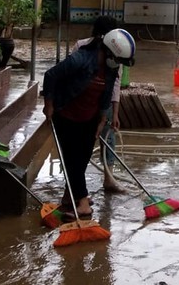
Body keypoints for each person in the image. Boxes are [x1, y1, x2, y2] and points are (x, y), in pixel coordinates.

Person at [42, 28, 135, 218]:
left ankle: (70, 197)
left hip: (89, 117)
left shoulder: (111, 68)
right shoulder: (81, 59)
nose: (118, 64)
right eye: (117, 59)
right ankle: (83, 204)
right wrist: (49, 104)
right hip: (66, 115)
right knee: (72, 160)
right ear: (108, 51)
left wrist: (103, 118)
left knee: (82, 159)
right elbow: (51, 76)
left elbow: (106, 94)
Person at [72, 15, 127, 193]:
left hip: (104, 103)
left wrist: (115, 112)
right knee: (82, 143)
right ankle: (75, 188)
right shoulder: (81, 46)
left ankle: (109, 178)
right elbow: (68, 76)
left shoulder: (117, 51)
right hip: (83, 102)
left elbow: (116, 84)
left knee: (108, 138)